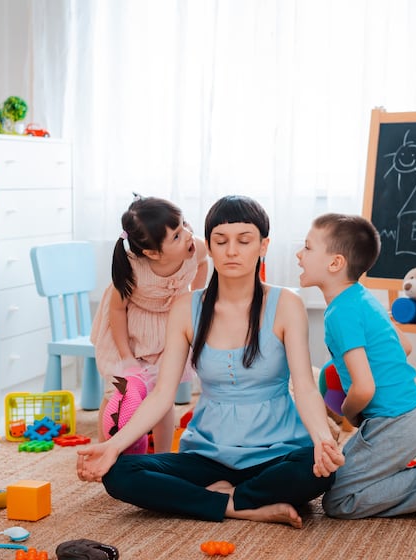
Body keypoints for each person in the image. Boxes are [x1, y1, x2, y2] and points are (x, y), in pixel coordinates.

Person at [78, 195, 344, 528]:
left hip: (275, 452)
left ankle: (216, 499)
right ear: (210, 246)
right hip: (206, 456)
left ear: (263, 246)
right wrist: (114, 446)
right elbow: (162, 395)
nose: (232, 251)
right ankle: (242, 504)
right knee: (120, 473)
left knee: (319, 470)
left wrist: (321, 439)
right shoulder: (186, 307)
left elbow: (304, 387)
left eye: (244, 241)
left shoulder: (287, 303)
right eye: (221, 241)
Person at [295, 213, 416, 519]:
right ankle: (408, 473)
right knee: (338, 473)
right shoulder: (363, 297)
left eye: (306, 248)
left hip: (396, 424)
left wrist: (346, 412)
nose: (298, 254)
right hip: (411, 414)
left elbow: (365, 387)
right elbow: (405, 346)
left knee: (338, 500)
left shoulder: (339, 314)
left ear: (335, 263)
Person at [90, 195, 208, 453]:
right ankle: (105, 452)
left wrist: (193, 298)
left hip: (167, 330)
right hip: (129, 331)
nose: (188, 234)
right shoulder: (132, 269)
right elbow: (117, 311)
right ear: (152, 253)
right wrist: (126, 357)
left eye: (185, 224)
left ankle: (162, 456)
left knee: (162, 397)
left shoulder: (195, 247)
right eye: (176, 235)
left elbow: (202, 263)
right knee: (117, 392)